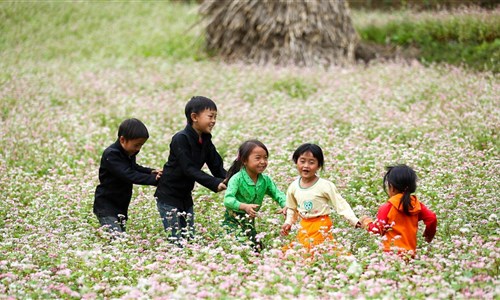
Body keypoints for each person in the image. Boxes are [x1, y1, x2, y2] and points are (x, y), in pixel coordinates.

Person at [155, 96, 227, 245]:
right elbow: (188, 169)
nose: (213, 121)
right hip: (169, 195)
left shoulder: (205, 139)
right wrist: (214, 183)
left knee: (189, 239)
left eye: (215, 117)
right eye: (210, 116)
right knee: (177, 241)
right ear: (194, 117)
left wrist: (232, 180)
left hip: (185, 196)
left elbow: (216, 165)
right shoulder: (180, 138)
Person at [281, 143, 360, 252]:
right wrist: (288, 222)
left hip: (321, 224)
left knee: (317, 250)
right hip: (304, 225)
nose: (306, 166)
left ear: (319, 166)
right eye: (302, 161)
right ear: (296, 162)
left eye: (311, 162)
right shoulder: (293, 186)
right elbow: (291, 208)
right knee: (302, 252)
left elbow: (340, 204)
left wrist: (354, 220)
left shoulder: (325, 185)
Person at [93, 118, 162, 235]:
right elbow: (128, 174)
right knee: (117, 239)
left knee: (119, 239)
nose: (138, 149)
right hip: (106, 206)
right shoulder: (112, 154)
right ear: (122, 140)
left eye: (141, 145)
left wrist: (152, 172)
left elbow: (134, 167)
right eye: (136, 145)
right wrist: (154, 180)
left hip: (120, 205)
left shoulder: (129, 152)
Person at [359, 164, 437, 256]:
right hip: (410, 254)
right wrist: (427, 237)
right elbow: (432, 218)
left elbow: (377, 230)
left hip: (390, 255)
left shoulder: (388, 207)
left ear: (392, 187)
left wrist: (367, 222)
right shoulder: (416, 205)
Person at [223, 140, 286, 251]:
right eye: (258, 158)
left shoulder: (265, 180)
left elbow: (277, 194)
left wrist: (285, 205)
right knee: (238, 248)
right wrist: (244, 206)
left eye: (265, 158)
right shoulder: (236, 179)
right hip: (233, 220)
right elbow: (228, 200)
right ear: (244, 160)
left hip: (249, 221)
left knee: (257, 248)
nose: (263, 162)